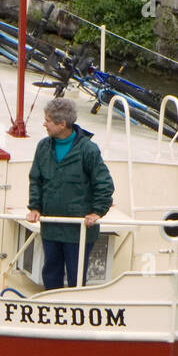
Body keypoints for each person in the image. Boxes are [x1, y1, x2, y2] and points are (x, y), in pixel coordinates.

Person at [26, 98, 115, 290]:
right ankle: (51, 307)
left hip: (78, 229)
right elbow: (36, 180)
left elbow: (104, 184)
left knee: (76, 275)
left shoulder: (88, 150)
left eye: (48, 120)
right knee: (51, 270)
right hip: (51, 225)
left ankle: (76, 307)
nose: (44, 124)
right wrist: (35, 207)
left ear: (62, 124)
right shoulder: (43, 147)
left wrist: (97, 212)